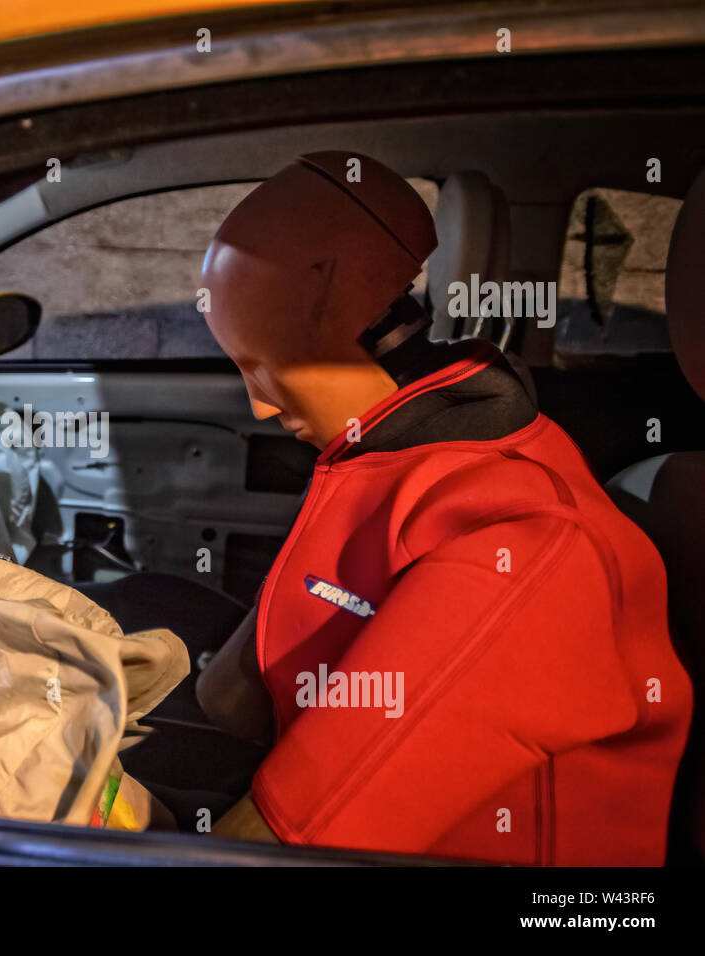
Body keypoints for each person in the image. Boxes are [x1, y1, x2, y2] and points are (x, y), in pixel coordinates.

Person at [87, 152, 692, 864]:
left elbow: (272, 852)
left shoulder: (527, 552)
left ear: (347, 342)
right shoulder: (399, 449)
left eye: (262, 370)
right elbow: (231, 698)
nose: (257, 404)